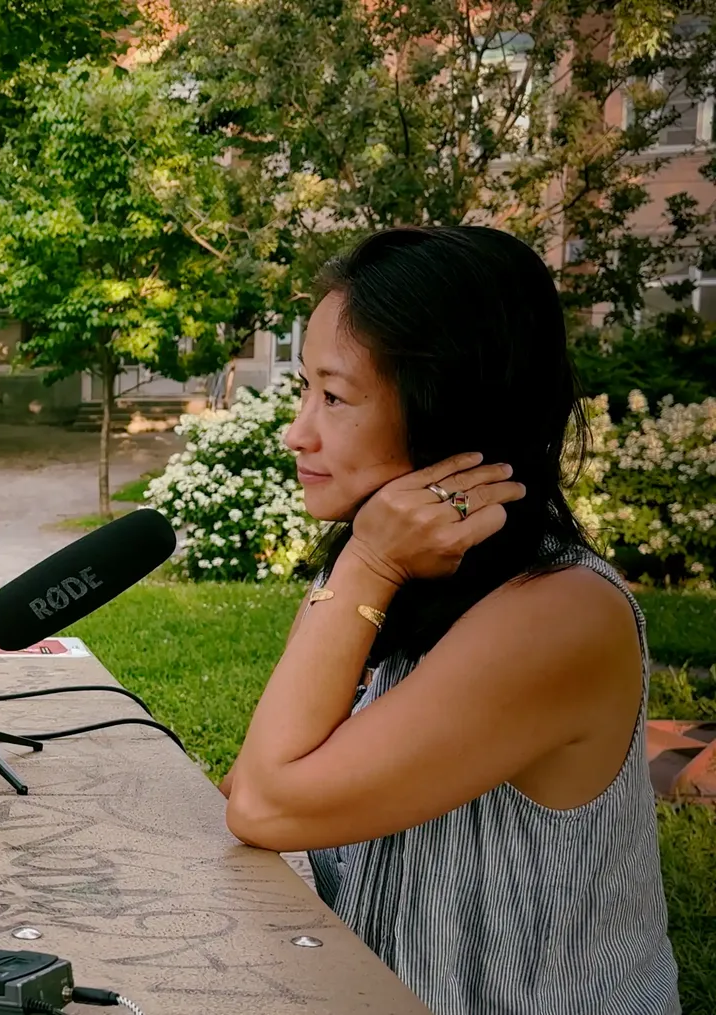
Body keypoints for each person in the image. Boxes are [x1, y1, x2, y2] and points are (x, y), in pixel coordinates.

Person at [220, 226, 677, 1014]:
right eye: (304, 389)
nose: (299, 431)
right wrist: (365, 567)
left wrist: (366, 564)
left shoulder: (558, 613)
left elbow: (265, 804)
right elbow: (260, 775)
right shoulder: (403, 572)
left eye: (334, 396)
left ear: (447, 410)